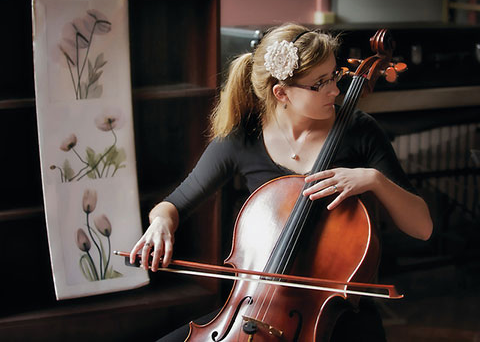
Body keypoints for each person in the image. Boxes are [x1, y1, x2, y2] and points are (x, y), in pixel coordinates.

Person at [130, 23, 433, 341]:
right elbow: (173, 205)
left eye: (334, 76)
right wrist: (160, 222)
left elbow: (422, 228)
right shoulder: (242, 138)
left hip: (337, 316)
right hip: (255, 307)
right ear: (281, 92)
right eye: (320, 84)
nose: (335, 91)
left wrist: (374, 180)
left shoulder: (361, 132)